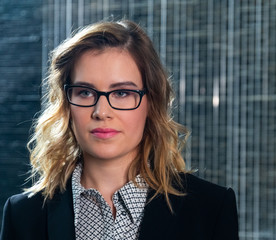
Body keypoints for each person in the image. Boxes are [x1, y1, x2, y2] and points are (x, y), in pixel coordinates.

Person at [0, 20, 239, 240]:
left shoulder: (211, 209)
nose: (101, 111)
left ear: (151, 102)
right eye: (85, 92)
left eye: (122, 93)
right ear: (65, 103)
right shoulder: (23, 215)